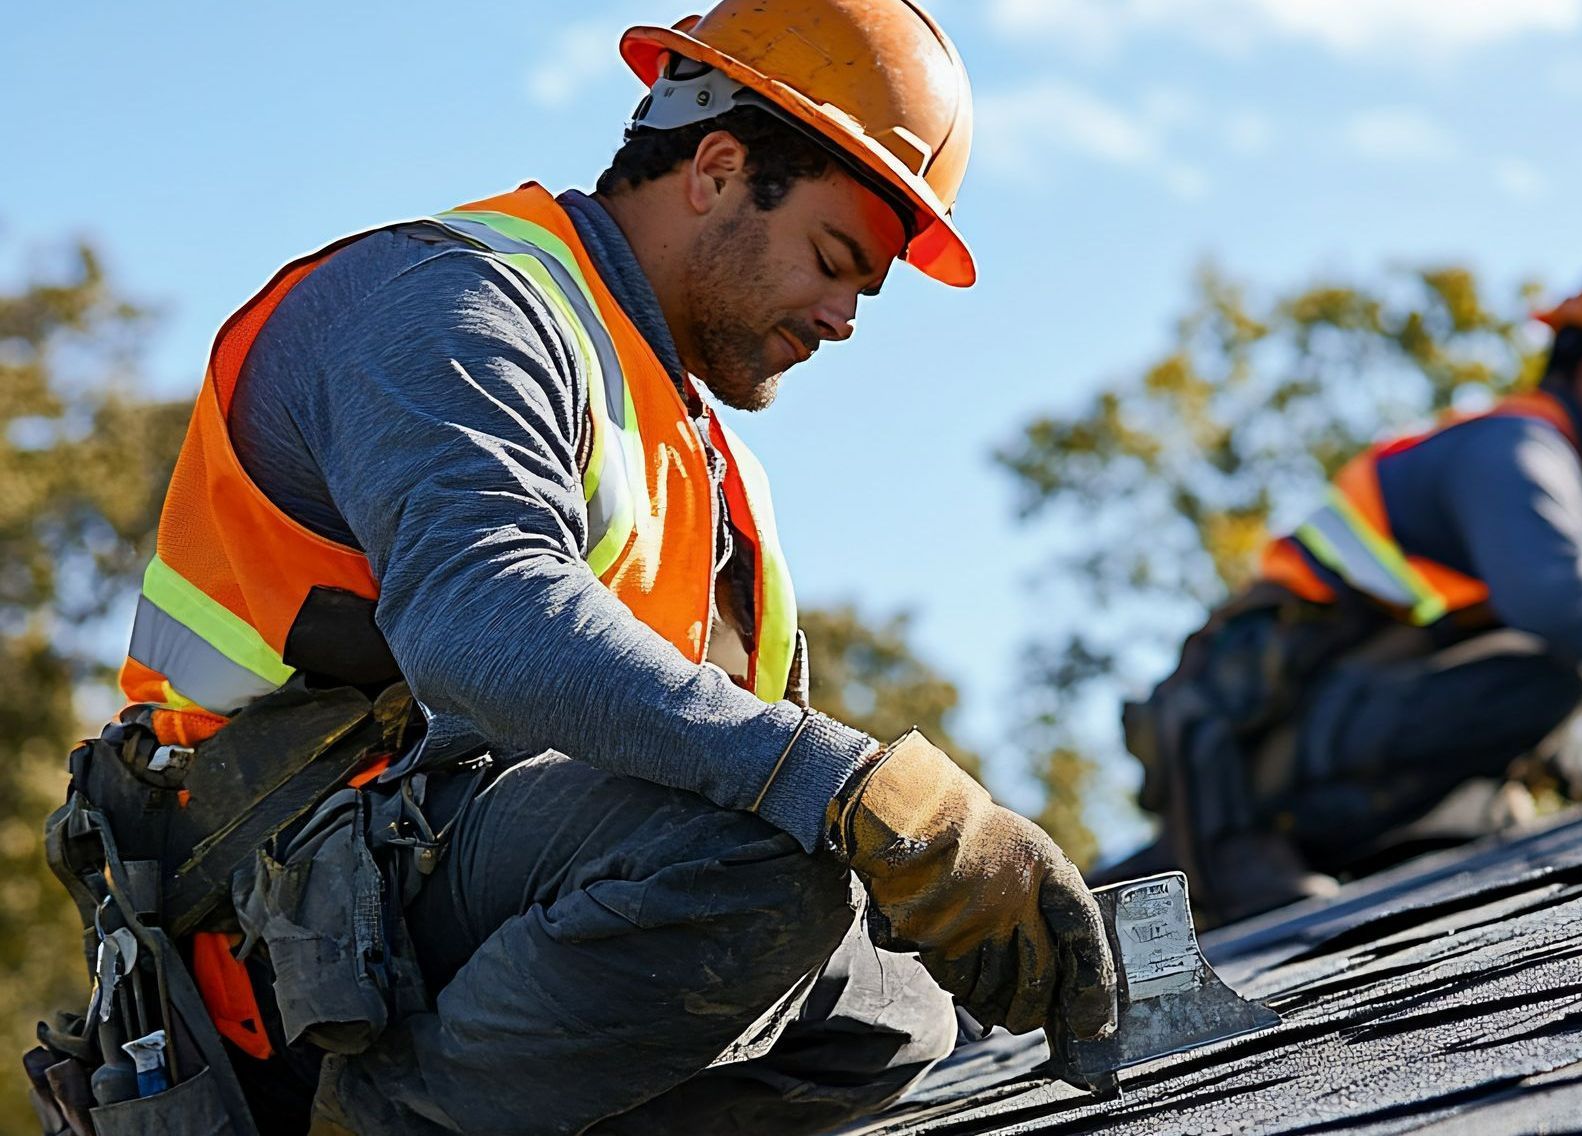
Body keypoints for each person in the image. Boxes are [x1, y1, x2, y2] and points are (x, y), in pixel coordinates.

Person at [30, 4, 1116, 1134]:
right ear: (718, 166)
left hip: (471, 903)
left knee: (893, 997)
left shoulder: (701, 459)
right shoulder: (451, 307)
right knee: (757, 865)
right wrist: (847, 785)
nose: (844, 317)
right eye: (835, 261)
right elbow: (480, 613)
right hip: (283, 934)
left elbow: (721, 752)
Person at [1102, 255, 1582, 927]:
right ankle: (1285, 853)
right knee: (1547, 680)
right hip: (1277, 750)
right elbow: (1559, 601)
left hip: (1311, 733)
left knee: (1546, 684)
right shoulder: (1517, 453)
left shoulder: (1519, 455)